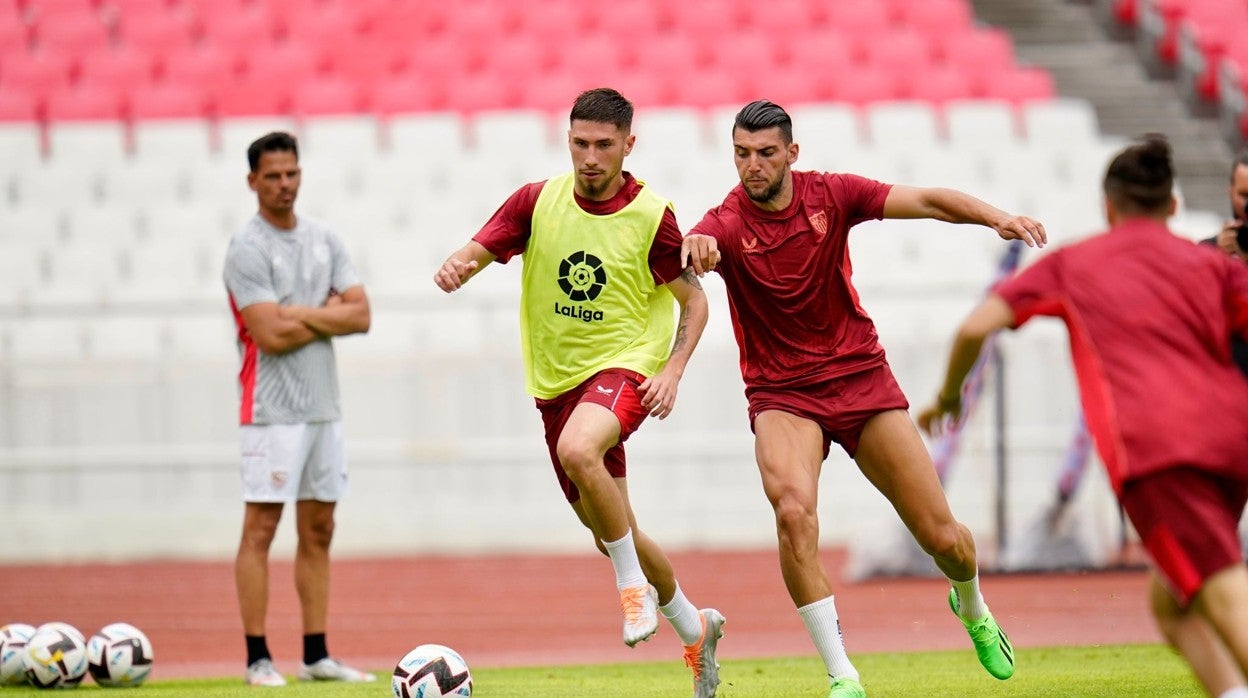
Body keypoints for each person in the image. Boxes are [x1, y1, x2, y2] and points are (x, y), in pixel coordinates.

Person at [680, 100, 1046, 698]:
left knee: (945, 540)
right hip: (782, 393)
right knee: (793, 513)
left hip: (860, 377)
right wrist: (694, 245)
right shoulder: (725, 221)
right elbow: (698, 243)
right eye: (742, 154)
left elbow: (926, 200)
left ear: (791, 155)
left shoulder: (833, 194)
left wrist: (995, 217)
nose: (752, 166)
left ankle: (971, 604)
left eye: (766, 154)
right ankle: (842, 674)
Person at [918, 134, 1248, 698]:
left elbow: (976, 327)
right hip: (1233, 441)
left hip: (1162, 454)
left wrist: (948, 398)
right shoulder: (1210, 265)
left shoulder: (1076, 262)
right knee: (1171, 604)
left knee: (1221, 589)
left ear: (1107, 205)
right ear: (1172, 206)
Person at [432, 87, 725, 698]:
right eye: (580, 143)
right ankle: (696, 629)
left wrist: (671, 371)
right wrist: (457, 265)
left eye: (603, 145)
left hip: (625, 369)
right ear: (568, 139)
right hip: (556, 385)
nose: (590, 156)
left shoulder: (651, 215)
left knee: (578, 449)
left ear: (628, 145)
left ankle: (631, 592)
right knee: (615, 529)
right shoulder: (538, 202)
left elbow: (695, 300)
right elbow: (481, 246)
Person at [223, 132, 375, 687]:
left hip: (322, 407)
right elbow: (268, 333)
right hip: (271, 408)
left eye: (291, 173)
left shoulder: (324, 238)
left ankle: (315, 653)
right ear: (252, 182)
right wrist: (325, 312)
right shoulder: (247, 248)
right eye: (272, 176)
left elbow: (361, 316)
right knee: (262, 526)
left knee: (320, 528)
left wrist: (299, 314)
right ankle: (257, 656)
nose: (284, 184)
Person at [1202, 149, 1248, 376]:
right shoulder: (1205, 254)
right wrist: (1218, 261)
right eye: (1244, 195)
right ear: (1230, 192)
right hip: (1225, 385)